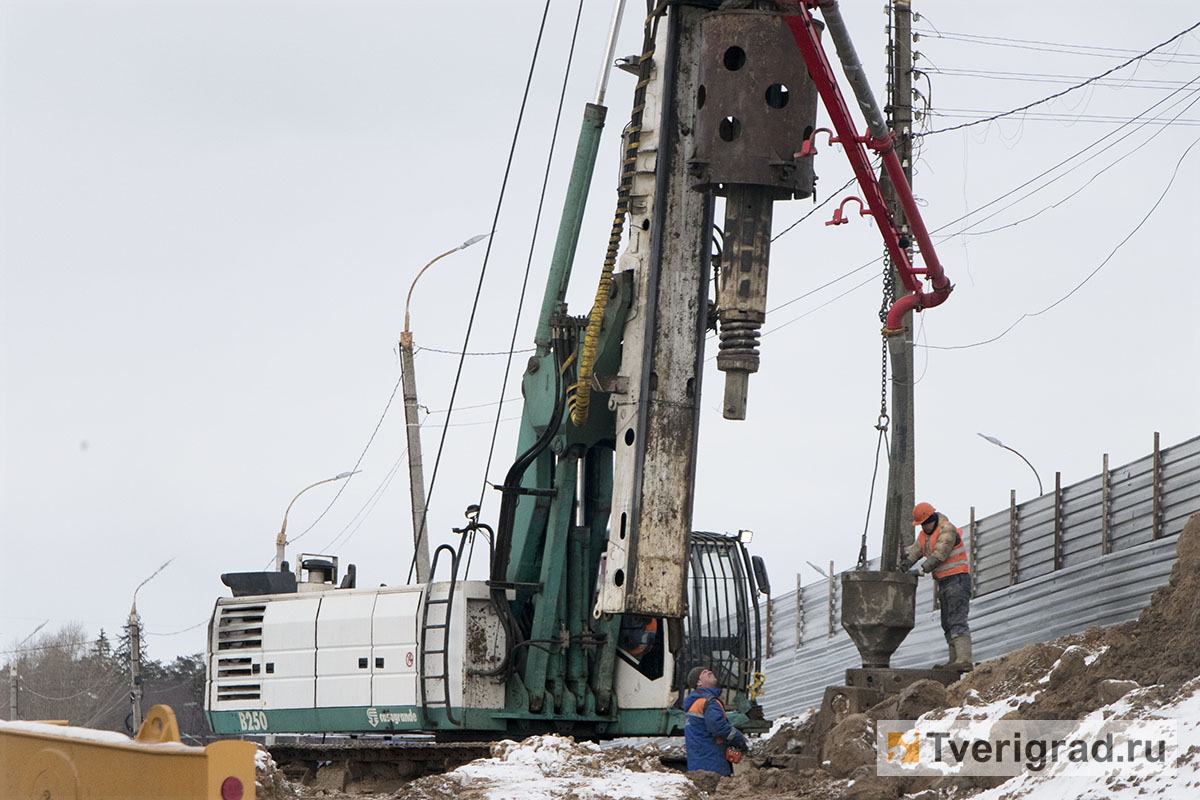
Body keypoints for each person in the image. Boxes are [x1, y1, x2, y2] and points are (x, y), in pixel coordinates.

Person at [902, 502, 973, 671]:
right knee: (947, 622)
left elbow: (940, 554)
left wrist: (921, 569)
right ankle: (954, 660)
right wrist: (905, 562)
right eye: (921, 524)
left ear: (932, 518)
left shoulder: (947, 529)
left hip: (958, 579)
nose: (924, 527)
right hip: (944, 582)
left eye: (925, 523)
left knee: (957, 619)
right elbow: (915, 551)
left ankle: (964, 659)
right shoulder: (924, 535)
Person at [683, 666, 747, 775]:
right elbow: (718, 727)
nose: (709, 671)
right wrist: (738, 738)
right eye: (704, 672)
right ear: (699, 683)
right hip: (712, 762)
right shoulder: (709, 702)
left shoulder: (694, 702)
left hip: (699, 762)